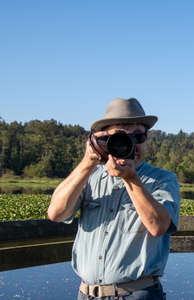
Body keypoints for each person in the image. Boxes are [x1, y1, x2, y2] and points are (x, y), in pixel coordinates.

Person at [47, 98, 180, 300]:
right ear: (105, 141)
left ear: (148, 138)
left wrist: (130, 178)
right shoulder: (89, 176)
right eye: (121, 137)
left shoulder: (163, 180)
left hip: (137, 294)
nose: (132, 143)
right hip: (87, 294)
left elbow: (158, 226)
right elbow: (56, 213)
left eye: (138, 136)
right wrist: (88, 161)